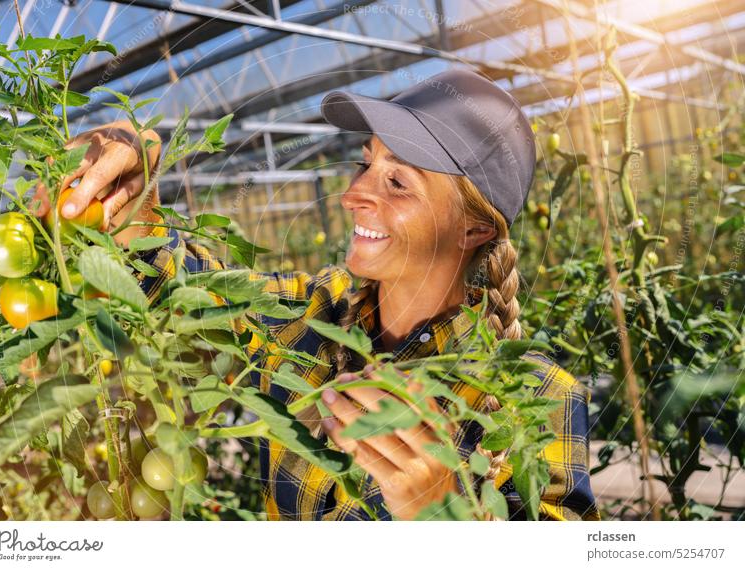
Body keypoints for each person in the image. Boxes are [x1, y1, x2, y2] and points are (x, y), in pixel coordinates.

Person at [33, 69, 600, 521]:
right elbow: (179, 285)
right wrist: (133, 188)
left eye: (397, 182)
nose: (354, 193)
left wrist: (447, 517)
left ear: (475, 230)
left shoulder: (537, 394)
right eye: (366, 164)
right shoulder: (306, 314)